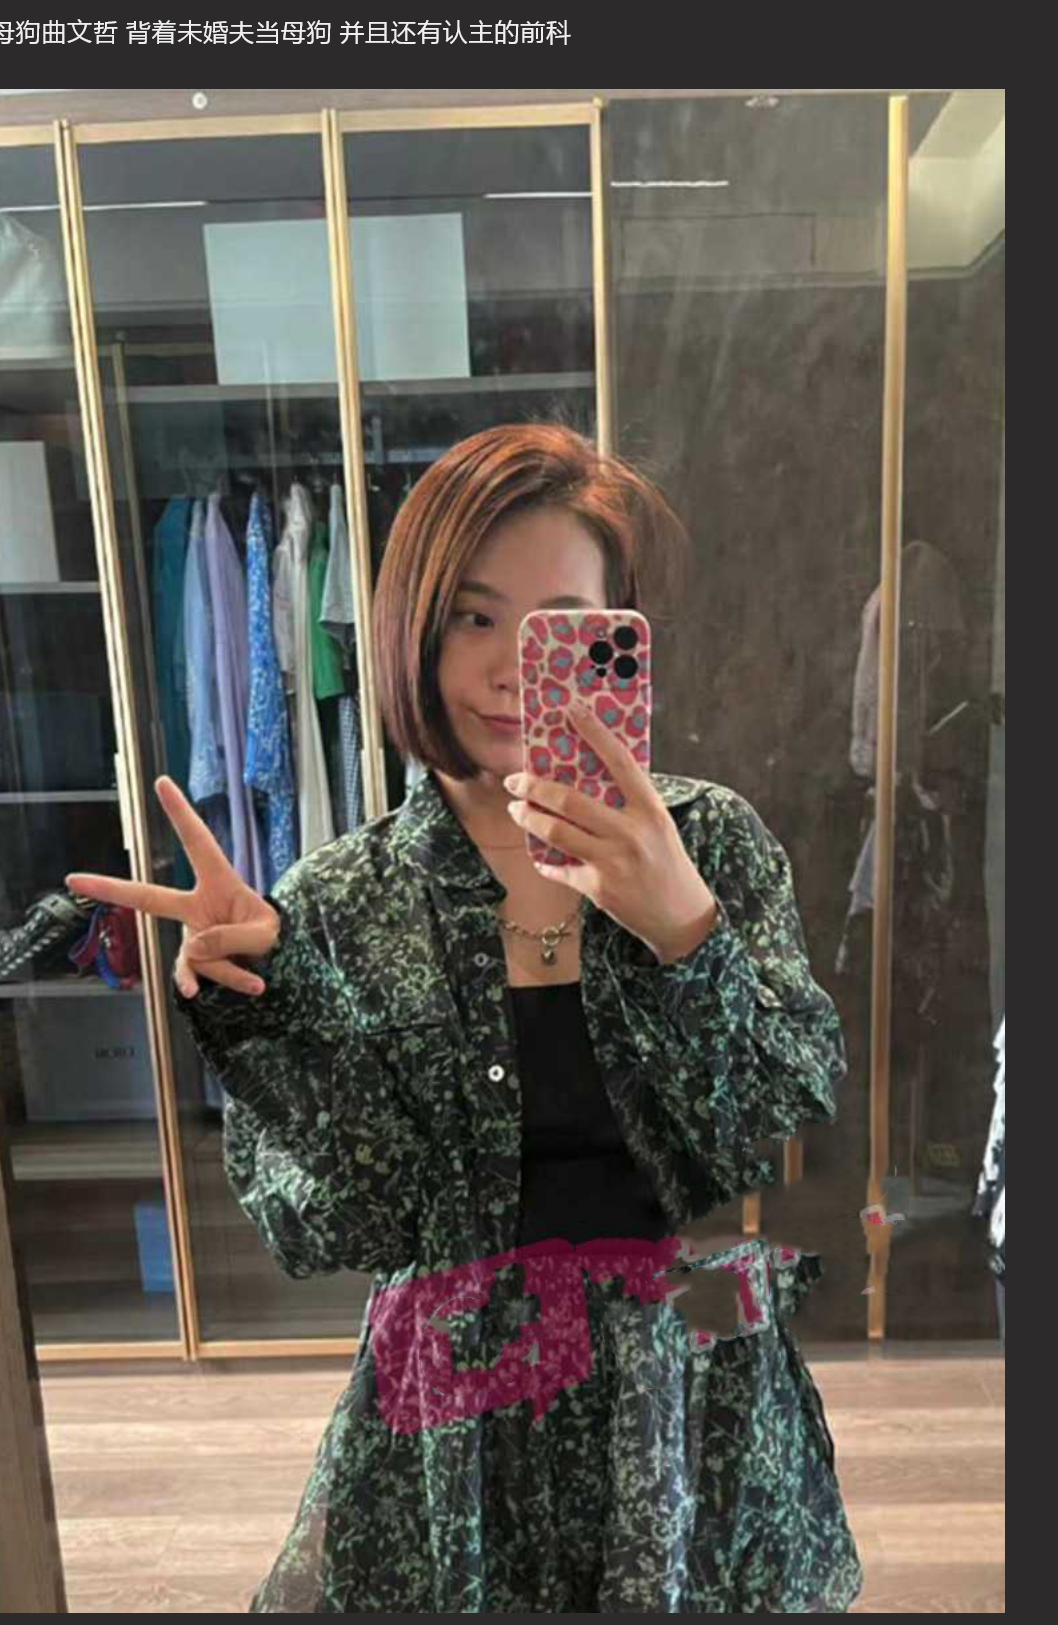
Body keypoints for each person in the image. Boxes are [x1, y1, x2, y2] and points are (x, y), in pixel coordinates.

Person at [68, 423, 863, 1613]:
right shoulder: (339, 897)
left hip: (686, 1387)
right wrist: (281, 1012)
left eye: (556, 628)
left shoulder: (704, 843)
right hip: (451, 1415)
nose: (505, 672)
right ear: (410, 630)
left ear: (615, 637)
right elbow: (331, 1223)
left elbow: (768, 1120)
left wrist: (681, 929)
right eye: (472, 618)